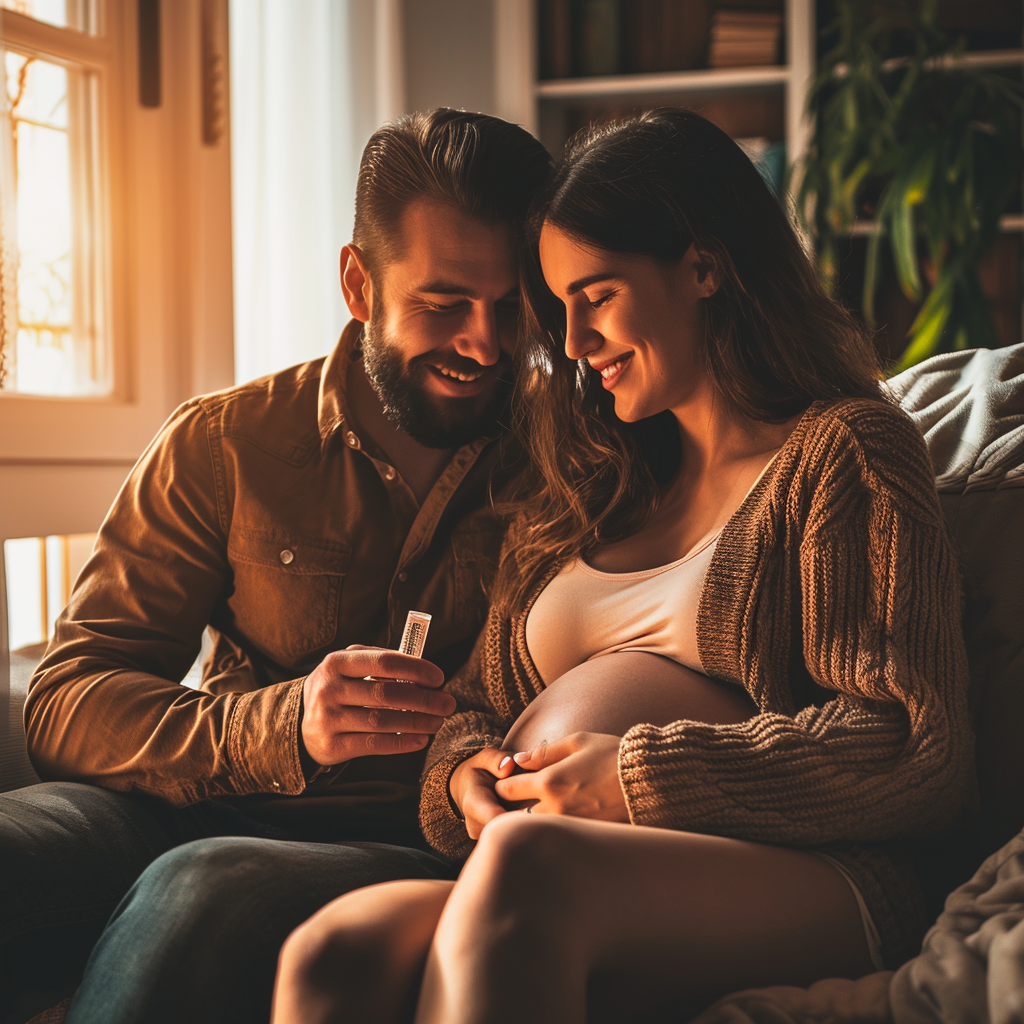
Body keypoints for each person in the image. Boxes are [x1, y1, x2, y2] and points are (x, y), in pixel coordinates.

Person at [269, 108, 976, 1024]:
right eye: (557, 309)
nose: (571, 345)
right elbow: (472, 704)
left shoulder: (845, 452)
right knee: (334, 952)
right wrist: (462, 776)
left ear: (706, 266)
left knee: (529, 872)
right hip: (557, 861)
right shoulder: (589, 485)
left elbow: (914, 747)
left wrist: (637, 776)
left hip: (813, 873)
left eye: (596, 297)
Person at [0, 108, 551, 1024]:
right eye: (443, 303)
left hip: (408, 843)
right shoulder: (225, 445)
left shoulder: (574, 468)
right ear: (358, 283)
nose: (485, 344)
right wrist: (283, 724)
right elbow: (67, 699)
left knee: (202, 891)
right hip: (188, 799)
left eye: (512, 305)